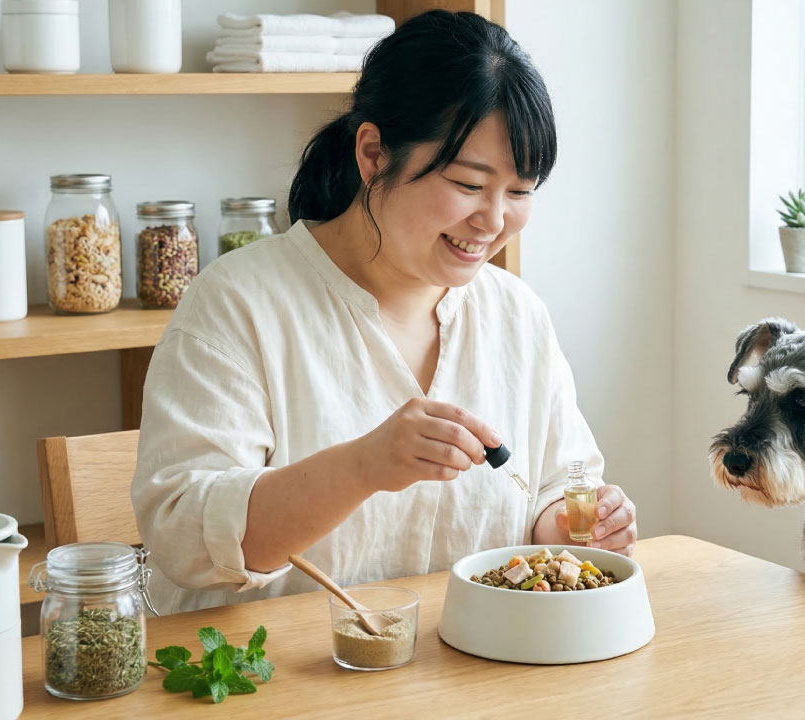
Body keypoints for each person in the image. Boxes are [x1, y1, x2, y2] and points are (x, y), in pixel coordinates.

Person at [131, 10, 637, 614]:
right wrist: (362, 466)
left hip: (466, 678)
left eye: (520, 191)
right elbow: (184, 540)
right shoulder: (238, 304)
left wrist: (575, 528)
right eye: (469, 184)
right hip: (274, 686)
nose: (495, 221)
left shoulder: (516, 314)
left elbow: (552, 490)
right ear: (373, 154)